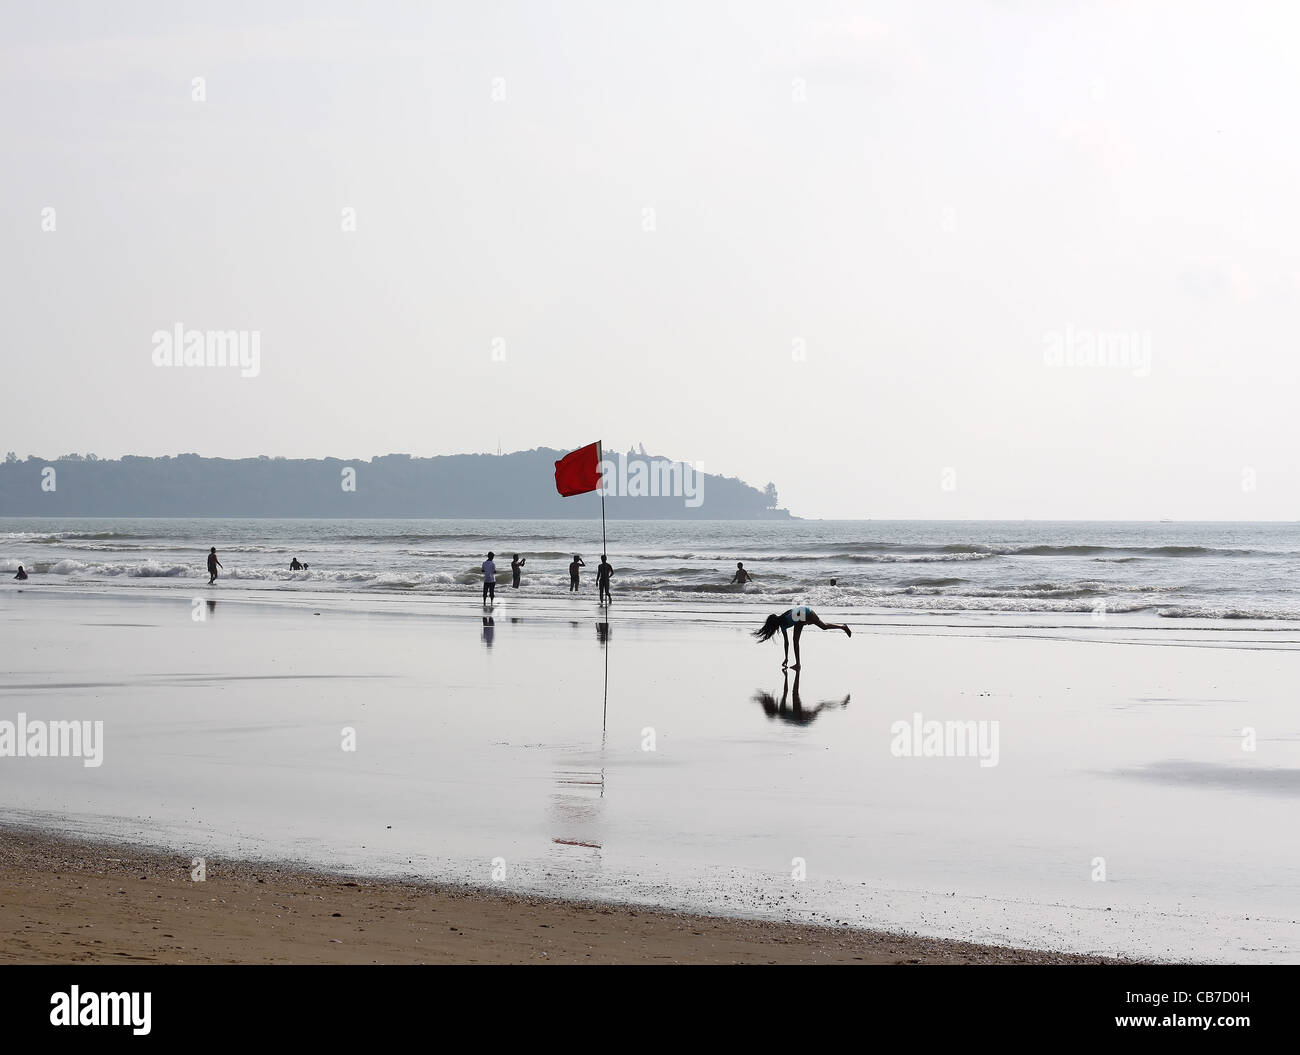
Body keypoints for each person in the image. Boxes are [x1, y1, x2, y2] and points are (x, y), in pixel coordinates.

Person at [753, 606, 850, 670]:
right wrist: (786, 658)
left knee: (795, 641)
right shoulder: (783, 619)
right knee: (823, 626)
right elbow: (786, 643)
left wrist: (805, 621)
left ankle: (798, 664)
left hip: (802, 614)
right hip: (807, 610)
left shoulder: (784, 623)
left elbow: (787, 642)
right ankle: (843, 626)